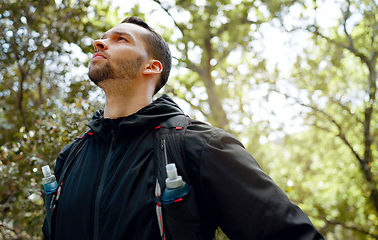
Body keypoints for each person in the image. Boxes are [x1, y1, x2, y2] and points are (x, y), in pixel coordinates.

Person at [42, 16, 324, 240]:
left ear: (152, 67)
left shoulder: (199, 145)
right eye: (102, 39)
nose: (99, 43)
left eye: (120, 39)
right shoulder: (71, 157)